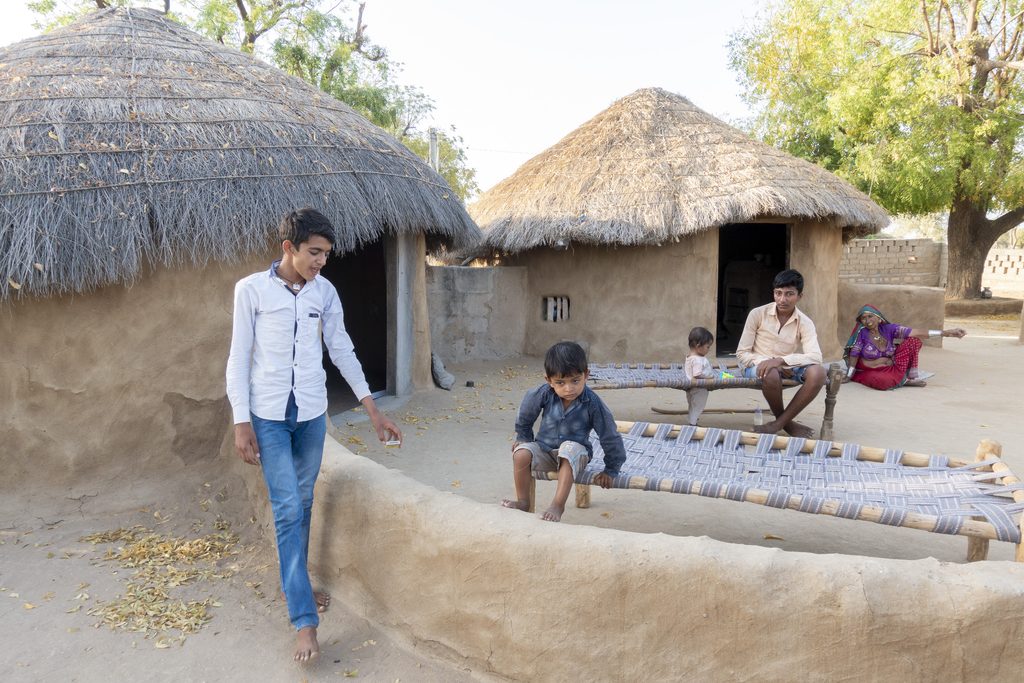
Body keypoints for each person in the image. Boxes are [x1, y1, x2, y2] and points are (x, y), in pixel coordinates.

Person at [225, 208, 402, 663]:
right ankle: (304, 620)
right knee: (288, 507)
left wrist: (372, 410)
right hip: (267, 415)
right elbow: (238, 357)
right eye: (313, 252)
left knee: (302, 504)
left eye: (326, 254)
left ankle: (295, 584)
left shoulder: (325, 293)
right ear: (289, 248)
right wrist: (240, 419)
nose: (321, 261)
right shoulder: (252, 291)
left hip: (310, 415)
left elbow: (341, 348)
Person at [501, 341, 626, 522]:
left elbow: (609, 434)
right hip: (545, 450)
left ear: (586, 375)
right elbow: (526, 412)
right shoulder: (544, 393)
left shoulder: (592, 403)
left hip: (576, 456)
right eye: (560, 382)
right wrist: (524, 436)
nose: (569, 388)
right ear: (549, 381)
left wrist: (611, 469)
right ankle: (523, 501)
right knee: (520, 453)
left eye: (575, 380)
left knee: (568, 449)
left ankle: (557, 505)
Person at [735, 269, 826, 438]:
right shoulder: (757, 314)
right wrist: (768, 362)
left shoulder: (805, 322)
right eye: (778, 293)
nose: (782, 299)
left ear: (800, 296)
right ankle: (787, 424)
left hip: (785, 365)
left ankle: (777, 424)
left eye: (789, 294)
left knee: (818, 372)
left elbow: (815, 356)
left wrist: (781, 361)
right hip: (755, 365)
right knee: (771, 373)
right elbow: (742, 353)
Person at [844, 304, 966, 390]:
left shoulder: (889, 329)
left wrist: (946, 333)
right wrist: (849, 375)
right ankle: (903, 380)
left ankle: (907, 377)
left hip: (893, 366)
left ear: (879, 318)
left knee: (913, 341)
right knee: (882, 382)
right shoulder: (861, 333)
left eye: (870, 316)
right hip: (872, 369)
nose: (867, 320)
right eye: (863, 318)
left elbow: (916, 332)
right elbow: (854, 354)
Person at [684, 326, 729, 426]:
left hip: (691, 388)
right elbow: (697, 374)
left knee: (693, 405)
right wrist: (709, 378)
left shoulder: (690, 357)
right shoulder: (698, 360)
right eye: (707, 347)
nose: (708, 350)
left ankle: (692, 421)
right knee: (698, 406)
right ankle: (692, 424)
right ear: (698, 345)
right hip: (699, 388)